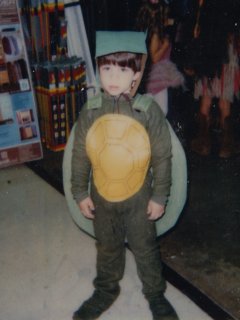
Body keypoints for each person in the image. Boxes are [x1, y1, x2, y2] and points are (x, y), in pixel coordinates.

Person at [71, 30, 179, 320]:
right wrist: (80, 192)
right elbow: (79, 154)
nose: (113, 76)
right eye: (106, 68)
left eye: (123, 68)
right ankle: (106, 289)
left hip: (139, 196)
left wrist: (160, 195)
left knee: (145, 248)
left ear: (137, 72)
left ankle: (156, 295)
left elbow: (163, 156)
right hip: (102, 194)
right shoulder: (91, 111)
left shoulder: (148, 111)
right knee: (107, 247)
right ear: (98, 70)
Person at [190, 0, 240, 158]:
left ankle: (203, 143)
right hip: (226, 51)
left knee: (206, 99)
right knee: (225, 101)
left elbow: (196, 30)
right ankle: (226, 146)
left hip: (208, 50)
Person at [135, 0, 184, 116]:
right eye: (165, 15)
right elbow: (155, 57)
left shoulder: (151, 29)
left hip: (154, 76)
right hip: (157, 78)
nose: (167, 17)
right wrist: (165, 45)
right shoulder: (156, 33)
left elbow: (172, 22)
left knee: (153, 111)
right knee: (161, 112)